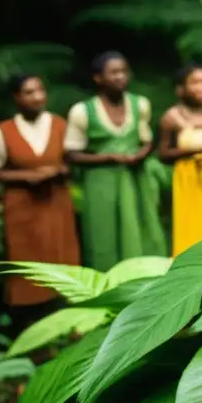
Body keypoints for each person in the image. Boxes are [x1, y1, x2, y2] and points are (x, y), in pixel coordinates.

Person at [0, 75, 80, 318]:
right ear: (17, 97)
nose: (37, 97)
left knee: (62, 255)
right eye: (29, 92)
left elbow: (74, 160)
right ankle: (31, 326)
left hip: (56, 202)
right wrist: (26, 176)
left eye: (40, 90)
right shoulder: (2, 132)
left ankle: (69, 322)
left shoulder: (60, 125)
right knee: (27, 259)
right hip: (22, 206)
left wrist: (58, 170)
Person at [65, 52, 166, 270]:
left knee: (143, 226)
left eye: (124, 71)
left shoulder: (140, 105)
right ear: (98, 78)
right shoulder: (82, 111)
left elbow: (147, 140)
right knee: (104, 232)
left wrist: (142, 154)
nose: (121, 77)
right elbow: (72, 154)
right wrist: (108, 157)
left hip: (135, 178)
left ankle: (147, 280)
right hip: (101, 181)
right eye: (114, 73)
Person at [158, 64, 202, 256]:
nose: (201, 87)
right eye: (195, 82)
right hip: (187, 178)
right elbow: (163, 154)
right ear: (181, 89)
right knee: (189, 224)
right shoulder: (171, 118)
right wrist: (191, 151)